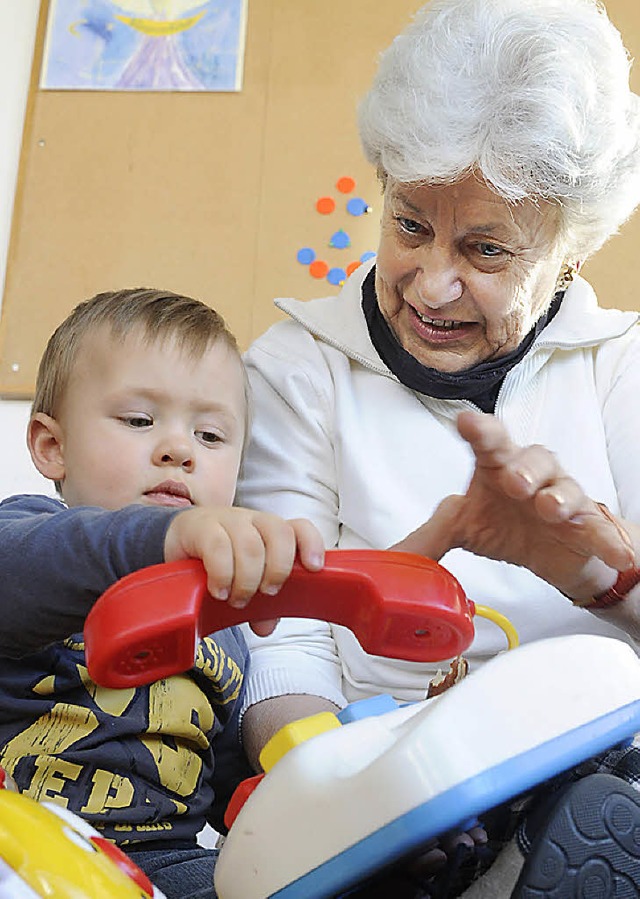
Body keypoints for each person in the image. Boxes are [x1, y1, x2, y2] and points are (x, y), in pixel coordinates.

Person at [236, 0, 640, 895]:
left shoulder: (625, 365)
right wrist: (356, 799)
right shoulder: (295, 369)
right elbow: (283, 649)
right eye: (409, 224)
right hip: (379, 774)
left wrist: (600, 579)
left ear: (569, 252)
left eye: (486, 249)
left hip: (606, 768)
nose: (433, 280)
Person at [0, 288, 325, 899]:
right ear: (53, 446)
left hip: (163, 862)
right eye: (140, 421)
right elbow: (31, 573)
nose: (179, 450)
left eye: (210, 435)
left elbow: (223, 778)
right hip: (18, 833)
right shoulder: (28, 535)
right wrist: (164, 536)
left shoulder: (225, 621)